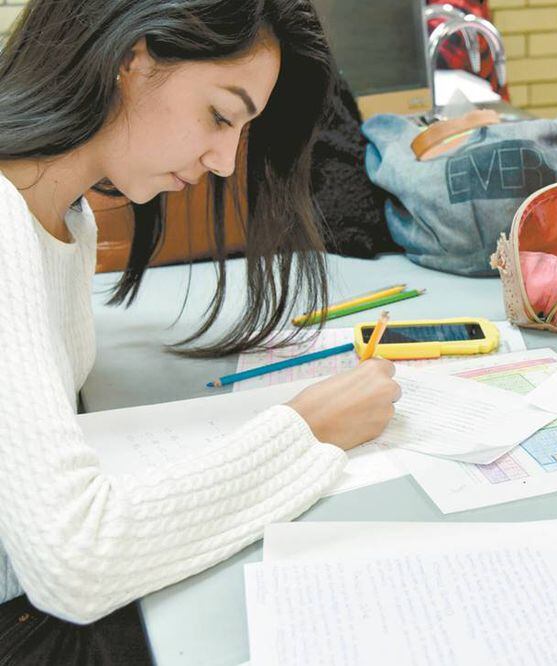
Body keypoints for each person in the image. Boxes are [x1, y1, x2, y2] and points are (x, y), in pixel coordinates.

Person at [0, 0, 400, 660]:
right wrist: (306, 431)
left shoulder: (69, 215)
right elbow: (78, 564)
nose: (221, 161)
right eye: (220, 115)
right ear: (132, 56)